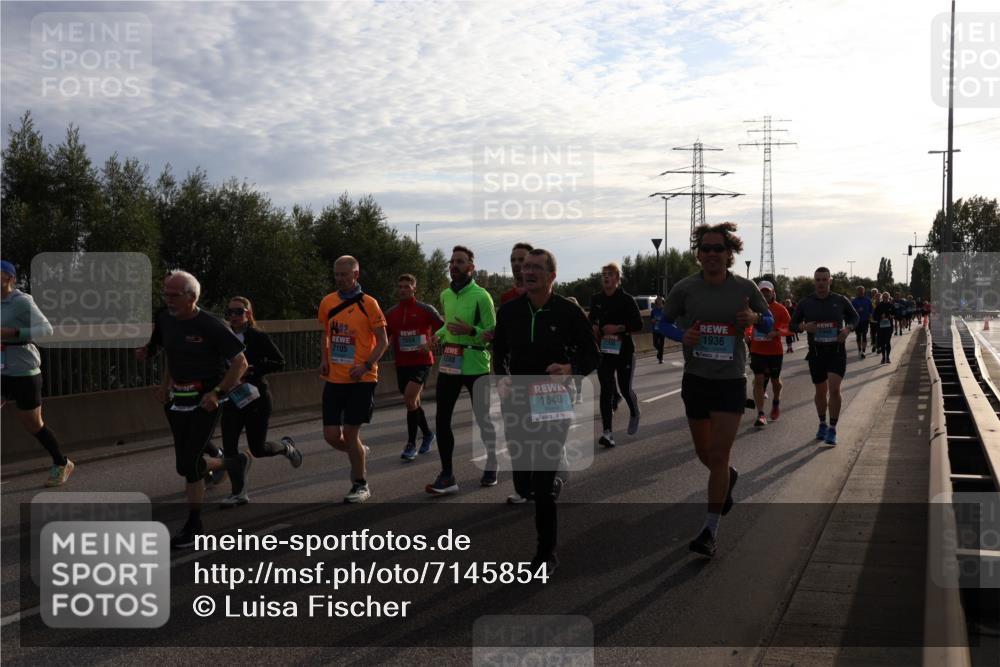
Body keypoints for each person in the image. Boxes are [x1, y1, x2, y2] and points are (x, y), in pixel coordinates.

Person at [657, 223, 773, 557]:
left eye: (717, 249)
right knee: (705, 455)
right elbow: (662, 323)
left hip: (730, 380)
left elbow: (768, 324)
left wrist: (753, 317)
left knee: (719, 455)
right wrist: (682, 337)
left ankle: (710, 530)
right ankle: (728, 477)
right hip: (696, 379)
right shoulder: (685, 288)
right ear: (698, 253)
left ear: (729, 253)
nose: (711, 255)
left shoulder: (745, 287)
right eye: (705, 249)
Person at [492, 249, 600, 572]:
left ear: (552, 276)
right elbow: (499, 350)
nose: (528, 272)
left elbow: (592, 356)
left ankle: (546, 553)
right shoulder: (510, 311)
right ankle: (554, 478)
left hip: (554, 398)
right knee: (524, 483)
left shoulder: (568, 311)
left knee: (540, 481)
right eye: (525, 267)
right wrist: (502, 378)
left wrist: (571, 367)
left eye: (537, 267)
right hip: (518, 399)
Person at [155, 271, 248, 547]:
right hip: (176, 400)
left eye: (174, 295)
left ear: (192, 297)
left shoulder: (212, 325)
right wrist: (165, 385)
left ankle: (194, 526)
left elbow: (240, 363)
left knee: (188, 463)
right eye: (166, 294)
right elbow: (173, 353)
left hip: (204, 400)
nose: (168, 300)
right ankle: (232, 462)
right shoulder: (165, 320)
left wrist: (218, 393)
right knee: (186, 463)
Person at [426, 246, 498, 494]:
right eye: (452, 261)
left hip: (476, 363)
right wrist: (437, 335)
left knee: (483, 418)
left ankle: (491, 462)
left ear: (471, 267)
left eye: (460, 262)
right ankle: (447, 475)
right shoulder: (446, 294)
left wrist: (471, 331)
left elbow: (492, 334)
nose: (454, 265)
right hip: (450, 363)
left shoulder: (482, 296)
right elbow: (449, 326)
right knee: (442, 420)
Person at [218, 296, 302, 507]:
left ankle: (286, 447)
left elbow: (279, 361)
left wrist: (253, 370)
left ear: (248, 314)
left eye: (239, 312)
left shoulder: (257, 336)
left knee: (258, 448)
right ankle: (239, 493)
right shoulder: (222, 336)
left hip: (255, 398)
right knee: (229, 447)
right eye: (230, 312)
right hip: (231, 398)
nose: (234, 316)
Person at [318, 256, 389, 504]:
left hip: (363, 377)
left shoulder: (369, 304)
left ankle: (360, 483)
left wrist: (366, 365)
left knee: (350, 432)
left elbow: (383, 341)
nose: (340, 279)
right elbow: (326, 334)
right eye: (337, 274)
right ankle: (358, 450)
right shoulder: (328, 302)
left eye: (345, 275)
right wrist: (324, 358)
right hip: (335, 377)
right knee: (330, 435)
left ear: (356, 275)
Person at [1, 260, 75, 487]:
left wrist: (13, 332)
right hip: (2, 370)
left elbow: (46, 329)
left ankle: (62, 463)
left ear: (10, 279)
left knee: (33, 424)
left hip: (24, 371)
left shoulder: (22, 302)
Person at [789, 267, 860, 447]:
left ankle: (833, 428)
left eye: (824, 280)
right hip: (816, 353)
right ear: (814, 282)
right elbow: (792, 324)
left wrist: (847, 329)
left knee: (834, 389)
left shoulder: (840, 300)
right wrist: (804, 327)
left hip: (836, 351)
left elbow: (855, 317)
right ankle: (822, 423)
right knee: (821, 392)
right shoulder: (806, 302)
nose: (821, 283)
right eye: (817, 280)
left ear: (830, 281)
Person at [384, 274, 443, 461]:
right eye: (400, 286)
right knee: (413, 403)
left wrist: (431, 343)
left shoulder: (425, 309)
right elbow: (387, 335)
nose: (403, 290)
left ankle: (411, 444)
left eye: (407, 287)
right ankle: (427, 433)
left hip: (422, 361)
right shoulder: (391, 313)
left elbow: (444, 329)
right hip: (402, 363)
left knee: (409, 398)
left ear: (414, 289)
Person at [589, 262, 643, 447]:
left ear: (617, 279)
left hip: (625, 351)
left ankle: (635, 411)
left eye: (610, 274)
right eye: (603, 274)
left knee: (625, 388)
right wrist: (594, 328)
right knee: (606, 390)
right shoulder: (596, 299)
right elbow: (592, 320)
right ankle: (607, 433)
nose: (606, 277)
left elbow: (638, 324)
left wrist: (618, 328)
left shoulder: (626, 299)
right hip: (605, 350)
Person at [747, 280, 790, 427]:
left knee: (775, 381)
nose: (765, 294)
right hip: (757, 349)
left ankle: (776, 401)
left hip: (775, 351)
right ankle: (760, 414)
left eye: (767, 292)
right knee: (758, 380)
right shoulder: (752, 309)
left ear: (772, 293)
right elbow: (748, 326)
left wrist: (777, 332)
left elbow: (790, 327)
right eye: (762, 292)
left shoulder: (780, 309)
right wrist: (747, 333)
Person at [850, 286, 873, 360]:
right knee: (858, 336)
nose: (860, 292)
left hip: (865, 320)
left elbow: (871, 309)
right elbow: (851, 311)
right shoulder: (854, 301)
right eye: (859, 291)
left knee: (864, 335)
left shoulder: (868, 300)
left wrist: (870, 314)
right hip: (857, 321)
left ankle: (863, 351)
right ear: (857, 292)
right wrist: (857, 310)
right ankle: (859, 350)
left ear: (864, 291)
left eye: (862, 291)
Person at [873, 292, 896, 364]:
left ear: (888, 298)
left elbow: (895, 313)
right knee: (883, 343)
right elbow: (875, 317)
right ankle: (883, 357)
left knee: (888, 342)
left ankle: (888, 357)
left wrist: (892, 316)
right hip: (881, 327)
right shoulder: (879, 306)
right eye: (884, 297)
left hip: (889, 327)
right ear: (882, 298)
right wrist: (880, 317)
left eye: (886, 297)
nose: (885, 298)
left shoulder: (891, 305)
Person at [651, 296, 666, 364]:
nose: (659, 303)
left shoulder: (665, 310)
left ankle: (660, 358)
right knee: (655, 344)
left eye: (660, 301)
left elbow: (668, 319)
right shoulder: (653, 310)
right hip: (655, 330)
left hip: (662, 330)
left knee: (661, 345)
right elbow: (651, 319)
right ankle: (659, 352)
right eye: (657, 301)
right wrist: (653, 320)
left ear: (662, 302)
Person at [868, 287, 881, 354]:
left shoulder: (881, 301)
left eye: (875, 293)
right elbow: (868, 310)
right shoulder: (870, 301)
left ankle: (878, 347)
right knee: (873, 334)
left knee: (878, 333)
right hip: (872, 320)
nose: (874, 294)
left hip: (879, 320)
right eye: (873, 293)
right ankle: (874, 345)